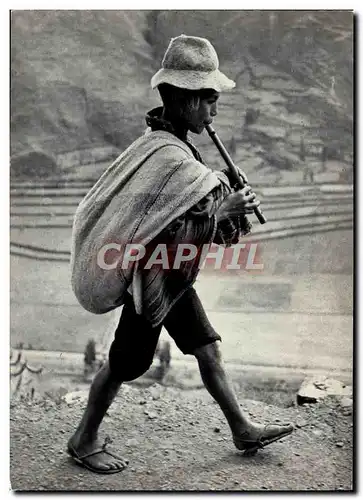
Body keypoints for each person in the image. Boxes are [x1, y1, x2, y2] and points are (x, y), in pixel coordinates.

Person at [68, 34, 294, 474]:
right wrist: (222, 209)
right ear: (188, 102)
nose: (214, 111)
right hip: (150, 283)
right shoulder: (167, 158)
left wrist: (225, 202)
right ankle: (83, 439)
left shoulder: (171, 151)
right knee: (124, 364)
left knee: (207, 349)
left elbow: (185, 220)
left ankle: (242, 428)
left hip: (172, 278)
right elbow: (162, 234)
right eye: (210, 101)